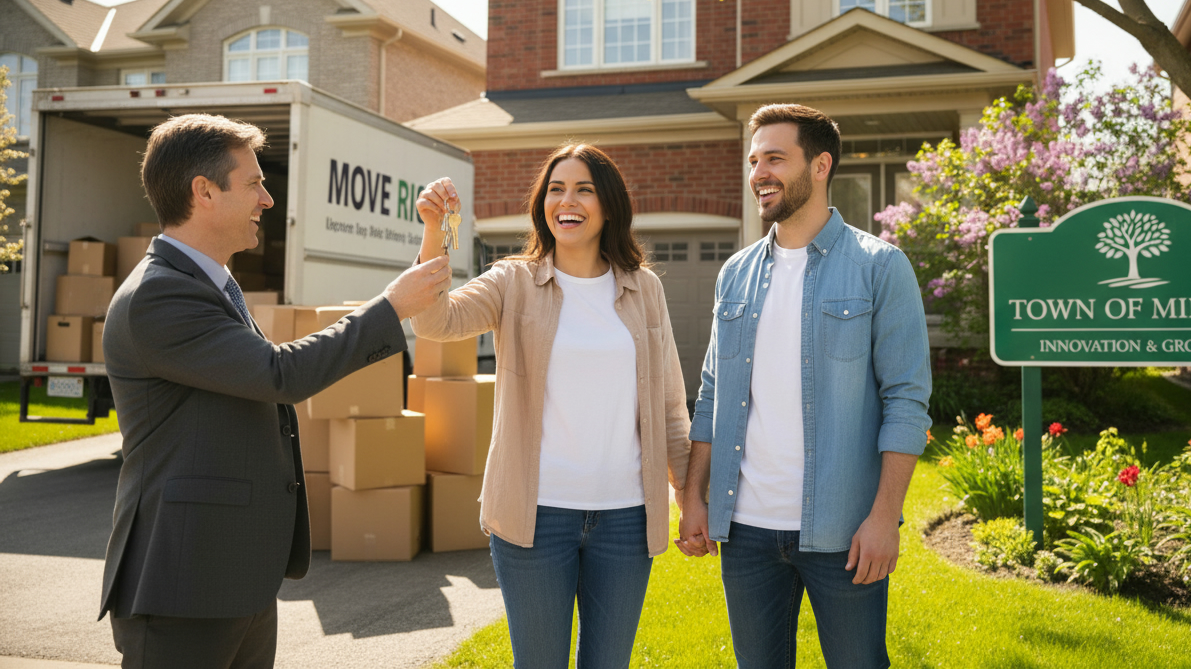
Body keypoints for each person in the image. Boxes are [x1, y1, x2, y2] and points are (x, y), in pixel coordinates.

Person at [99, 113, 451, 669]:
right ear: (204, 192)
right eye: (255, 183)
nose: (267, 198)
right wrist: (390, 308)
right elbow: (278, 374)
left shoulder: (207, 282)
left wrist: (409, 287)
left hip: (234, 576)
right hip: (185, 583)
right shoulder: (158, 296)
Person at [411, 144, 691, 669]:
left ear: (609, 205)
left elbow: (671, 403)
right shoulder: (513, 281)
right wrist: (433, 230)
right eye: (557, 189)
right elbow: (435, 322)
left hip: (626, 519)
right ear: (543, 204)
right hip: (534, 518)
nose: (569, 200)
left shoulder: (644, 288)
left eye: (584, 189)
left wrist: (688, 494)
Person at [676, 104, 932, 668]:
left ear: (820, 165)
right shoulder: (735, 273)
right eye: (753, 160)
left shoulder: (879, 267)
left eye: (775, 158)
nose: (758, 173)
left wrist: (884, 517)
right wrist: (693, 496)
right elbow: (714, 391)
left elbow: (907, 403)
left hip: (843, 531)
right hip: (746, 531)